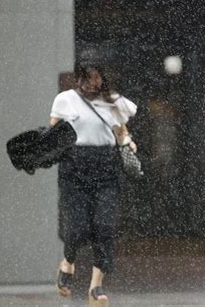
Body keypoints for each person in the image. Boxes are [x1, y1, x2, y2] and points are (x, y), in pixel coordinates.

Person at [50, 64, 137, 305]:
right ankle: (68, 262)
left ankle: (96, 286)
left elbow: (121, 130)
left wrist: (127, 142)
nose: (91, 83)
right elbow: (54, 130)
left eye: (96, 78)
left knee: (104, 225)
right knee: (75, 227)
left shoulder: (113, 102)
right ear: (78, 79)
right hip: (75, 166)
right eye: (87, 78)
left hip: (105, 165)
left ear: (103, 80)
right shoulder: (66, 100)